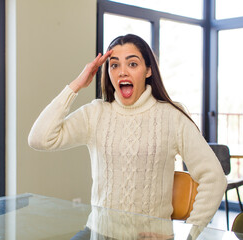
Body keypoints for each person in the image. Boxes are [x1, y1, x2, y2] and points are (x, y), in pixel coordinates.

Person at [28, 34, 227, 232]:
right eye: (114, 65)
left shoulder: (172, 116)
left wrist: (191, 234)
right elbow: (39, 139)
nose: (122, 72)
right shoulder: (96, 113)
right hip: (98, 232)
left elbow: (214, 178)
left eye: (132, 64)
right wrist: (77, 84)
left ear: (148, 70)